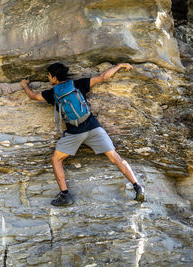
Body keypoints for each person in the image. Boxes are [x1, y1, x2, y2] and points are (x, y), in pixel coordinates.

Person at [20, 62, 145, 206]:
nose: (48, 78)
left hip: (74, 133)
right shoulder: (78, 84)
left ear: (54, 77)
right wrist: (120, 65)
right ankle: (137, 186)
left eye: (49, 76)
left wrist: (24, 85)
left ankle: (65, 195)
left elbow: (33, 96)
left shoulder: (52, 93)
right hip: (93, 127)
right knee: (115, 157)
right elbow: (103, 76)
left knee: (56, 159)